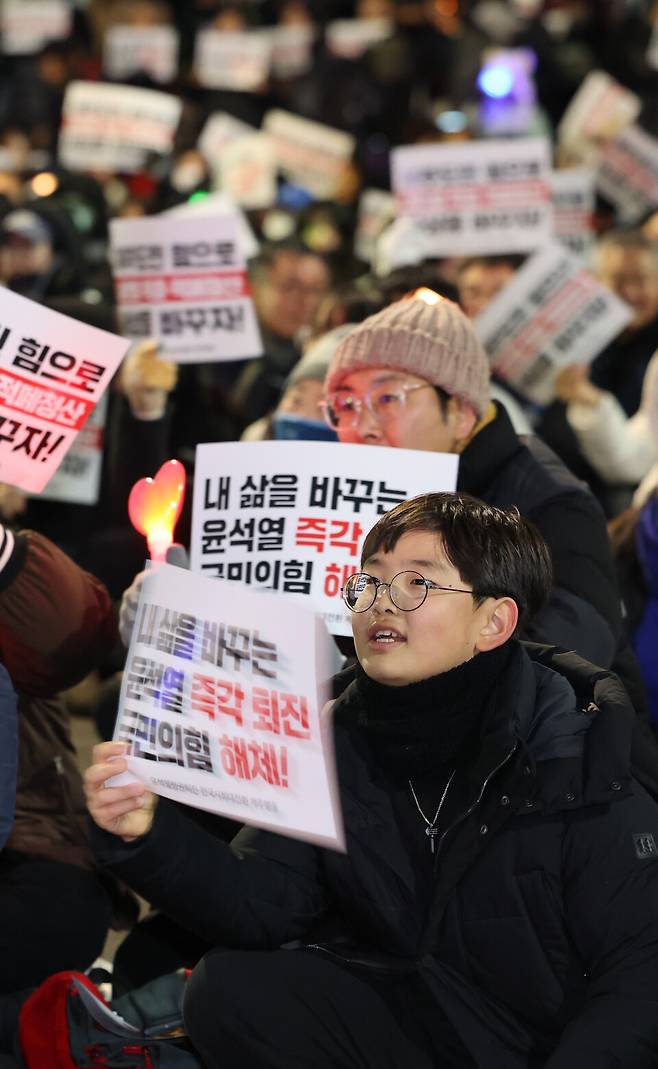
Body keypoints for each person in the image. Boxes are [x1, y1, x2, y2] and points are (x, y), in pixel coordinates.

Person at [86, 492, 658, 1068]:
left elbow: (640, 979)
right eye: (370, 582)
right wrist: (147, 835)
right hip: (431, 1017)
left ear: (493, 622)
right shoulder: (338, 730)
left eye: (417, 584)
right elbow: (268, 897)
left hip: (546, 1044)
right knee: (229, 989)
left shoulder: (574, 752)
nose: (381, 602)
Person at [321, 289, 648, 715]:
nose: (361, 426)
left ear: (461, 413)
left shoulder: (550, 503)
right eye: (345, 404)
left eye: (387, 399)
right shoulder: (351, 504)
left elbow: (570, 659)